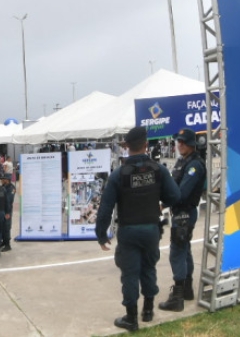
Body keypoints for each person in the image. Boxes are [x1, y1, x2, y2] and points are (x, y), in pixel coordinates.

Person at [95, 126, 181, 333]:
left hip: (129, 230)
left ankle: (131, 318)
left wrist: (101, 234)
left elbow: (105, 207)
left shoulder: (118, 175)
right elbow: (175, 196)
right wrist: (160, 202)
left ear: (126, 147)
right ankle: (148, 311)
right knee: (149, 268)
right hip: (151, 228)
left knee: (130, 273)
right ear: (145, 145)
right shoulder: (158, 170)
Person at [159, 128, 207, 312]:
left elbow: (182, 193)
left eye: (182, 142)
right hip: (179, 213)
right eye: (178, 141)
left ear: (190, 144)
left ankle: (177, 296)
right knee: (184, 250)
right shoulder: (183, 161)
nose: (179, 145)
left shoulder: (195, 165)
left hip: (185, 213)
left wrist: (163, 204)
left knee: (177, 251)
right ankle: (187, 289)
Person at [0, 175, 16, 251]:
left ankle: (7, 245)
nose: (2, 180)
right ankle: (3, 241)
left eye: (3, 179)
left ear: (8, 180)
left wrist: (7, 212)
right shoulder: (3, 186)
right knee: (2, 227)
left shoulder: (12, 188)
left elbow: (9, 200)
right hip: (2, 209)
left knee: (6, 227)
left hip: (7, 210)